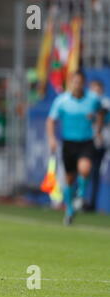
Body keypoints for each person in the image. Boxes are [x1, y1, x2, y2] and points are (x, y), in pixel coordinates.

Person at [46, 71, 104, 225]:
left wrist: (98, 129)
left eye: (80, 82)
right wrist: (52, 139)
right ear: (70, 83)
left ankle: (81, 196)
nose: (77, 85)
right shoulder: (62, 101)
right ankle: (70, 210)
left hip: (86, 141)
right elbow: (51, 120)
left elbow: (101, 112)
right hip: (69, 143)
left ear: (83, 83)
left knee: (85, 169)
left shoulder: (92, 99)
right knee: (69, 179)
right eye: (74, 82)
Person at [86, 80, 110, 211]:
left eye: (97, 89)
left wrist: (99, 131)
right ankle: (80, 199)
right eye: (93, 89)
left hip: (101, 141)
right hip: (86, 140)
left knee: (95, 171)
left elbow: (102, 116)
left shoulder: (105, 103)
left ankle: (92, 203)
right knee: (84, 170)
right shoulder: (85, 102)